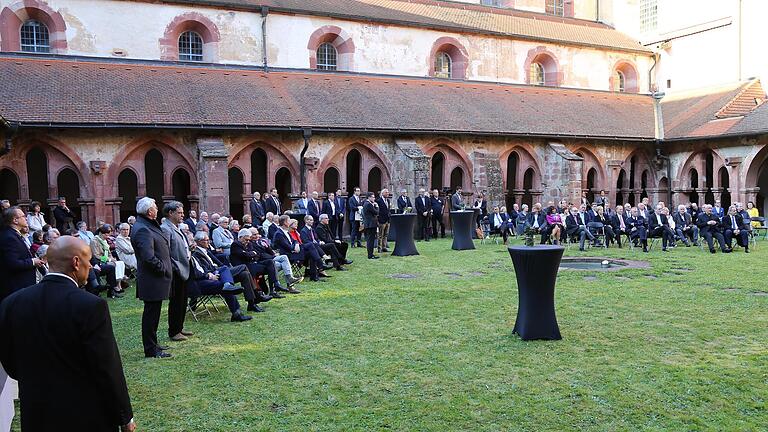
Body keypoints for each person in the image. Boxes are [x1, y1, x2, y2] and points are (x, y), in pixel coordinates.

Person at [0, 236, 135, 432]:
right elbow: (106, 366)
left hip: (37, 410)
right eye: (88, 261)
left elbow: (9, 360)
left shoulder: (11, 303)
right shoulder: (90, 305)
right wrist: (124, 415)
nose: (90, 267)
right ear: (76, 262)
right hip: (86, 413)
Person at [131, 197, 173, 358]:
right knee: (151, 315)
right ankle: (151, 349)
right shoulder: (142, 228)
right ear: (150, 212)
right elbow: (148, 256)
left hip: (155, 279)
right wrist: (162, 268)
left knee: (153, 314)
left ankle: (153, 344)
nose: (157, 209)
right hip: (152, 279)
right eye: (155, 207)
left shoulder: (145, 225)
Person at [194, 231, 271, 310]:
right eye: (206, 240)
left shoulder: (207, 251)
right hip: (215, 275)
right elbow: (204, 269)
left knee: (244, 274)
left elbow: (220, 263)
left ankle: (251, 304)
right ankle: (257, 295)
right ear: (199, 242)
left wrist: (225, 269)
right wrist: (217, 271)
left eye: (208, 240)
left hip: (222, 272)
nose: (209, 242)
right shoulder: (197, 253)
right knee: (243, 267)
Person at [161, 201, 193, 342]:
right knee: (176, 302)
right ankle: (174, 331)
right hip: (176, 270)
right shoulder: (166, 229)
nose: (182, 215)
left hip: (183, 268)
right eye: (179, 213)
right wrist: (174, 267)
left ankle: (179, 328)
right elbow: (165, 251)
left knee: (182, 300)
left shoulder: (176, 227)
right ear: (170, 213)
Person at [0, 206, 45, 301]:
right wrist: (33, 262)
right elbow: (13, 263)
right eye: (23, 216)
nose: (26, 218)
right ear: (15, 220)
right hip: (17, 288)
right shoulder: (9, 237)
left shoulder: (13, 234)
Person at [90, 224, 123, 298]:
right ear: (102, 233)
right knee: (112, 266)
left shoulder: (104, 241)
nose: (108, 236)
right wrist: (109, 259)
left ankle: (115, 288)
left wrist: (112, 258)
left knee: (119, 263)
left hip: (105, 261)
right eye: (107, 234)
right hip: (98, 262)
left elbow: (109, 253)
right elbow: (96, 255)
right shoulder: (94, 241)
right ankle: (114, 287)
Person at [363, 192, 379, 259]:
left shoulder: (366, 203)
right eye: (373, 197)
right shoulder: (368, 204)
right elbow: (376, 212)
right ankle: (370, 255)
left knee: (370, 239)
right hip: (371, 224)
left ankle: (371, 254)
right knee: (370, 240)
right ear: (369, 197)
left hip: (369, 224)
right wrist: (376, 206)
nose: (374, 198)